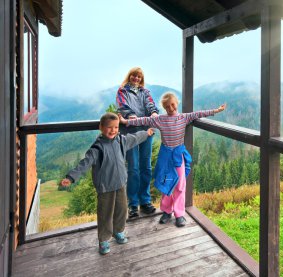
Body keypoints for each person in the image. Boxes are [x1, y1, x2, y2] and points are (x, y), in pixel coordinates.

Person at [119, 92, 226, 227]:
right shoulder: (160, 119)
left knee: (180, 184)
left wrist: (216, 110)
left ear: (177, 103)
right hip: (165, 157)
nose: (171, 108)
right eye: (167, 106)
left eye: (173, 104)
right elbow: (143, 120)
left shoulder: (183, 117)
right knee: (166, 183)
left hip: (178, 155)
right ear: (164, 108)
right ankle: (167, 211)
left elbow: (199, 113)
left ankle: (179, 214)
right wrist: (125, 121)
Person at [60, 112, 154, 255]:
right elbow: (84, 164)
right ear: (101, 127)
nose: (113, 130)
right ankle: (104, 240)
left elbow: (135, 138)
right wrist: (71, 177)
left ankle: (118, 231)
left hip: (121, 183)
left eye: (116, 127)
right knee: (105, 214)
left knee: (122, 210)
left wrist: (146, 133)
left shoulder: (121, 140)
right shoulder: (97, 148)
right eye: (109, 127)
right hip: (105, 187)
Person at [116, 67, 159, 218]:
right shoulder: (122, 91)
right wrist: (131, 116)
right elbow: (123, 106)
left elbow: (150, 105)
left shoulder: (145, 92)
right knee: (133, 168)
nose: (136, 78)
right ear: (130, 76)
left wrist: (154, 112)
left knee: (146, 167)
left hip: (147, 131)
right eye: (134, 75)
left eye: (139, 76)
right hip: (130, 133)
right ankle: (133, 204)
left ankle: (145, 202)